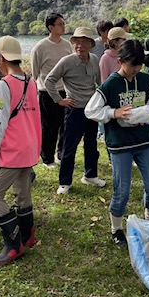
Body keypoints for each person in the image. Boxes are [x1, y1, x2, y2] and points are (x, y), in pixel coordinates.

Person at [85, 39, 149, 247]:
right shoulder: (111, 84)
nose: (136, 69)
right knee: (123, 189)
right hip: (120, 144)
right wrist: (113, 112)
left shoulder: (146, 81)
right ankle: (116, 228)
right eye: (132, 65)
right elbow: (90, 110)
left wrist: (144, 114)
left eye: (140, 65)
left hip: (144, 141)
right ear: (120, 61)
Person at [0, 36, 41, 266]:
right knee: (22, 192)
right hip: (29, 148)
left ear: (0, 58)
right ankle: (28, 234)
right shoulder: (31, 81)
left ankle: (13, 244)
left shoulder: (4, 84)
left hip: (12, 151)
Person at [45, 26, 105, 195]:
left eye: (84, 42)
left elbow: (98, 82)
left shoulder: (94, 59)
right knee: (69, 148)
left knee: (91, 144)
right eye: (77, 42)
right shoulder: (67, 61)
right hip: (74, 110)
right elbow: (49, 80)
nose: (80, 46)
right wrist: (59, 100)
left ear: (91, 44)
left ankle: (90, 175)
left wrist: (100, 101)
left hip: (92, 109)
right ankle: (64, 182)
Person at [30, 12, 73, 169]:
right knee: (49, 127)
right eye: (60, 24)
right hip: (46, 92)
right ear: (51, 27)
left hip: (65, 91)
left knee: (65, 125)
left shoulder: (67, 45)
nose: (63, 26)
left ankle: (61, 154)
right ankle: (47, 158)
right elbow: (35, 73)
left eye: (63, 23)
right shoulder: (40, 47)